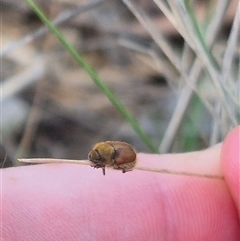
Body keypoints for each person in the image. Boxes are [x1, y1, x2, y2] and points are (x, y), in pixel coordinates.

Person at [2, 126, 239, 240]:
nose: (94, 162)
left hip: (126, 157)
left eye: (97, 161)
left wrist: (113, 165)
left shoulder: (114, 156)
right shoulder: (101, 150)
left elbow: (124, 159)